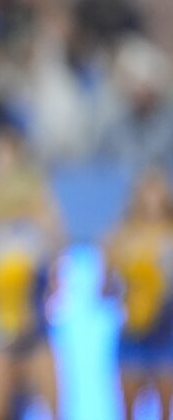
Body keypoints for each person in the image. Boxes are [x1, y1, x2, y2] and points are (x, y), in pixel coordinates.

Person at [0, 127, 64, 420]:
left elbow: (56, 268)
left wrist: (41, 300)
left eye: (7, 158)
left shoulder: (42, 209)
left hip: (34, 327)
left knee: (54, 407)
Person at [103, 167, 173, 420]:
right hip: (132, 332)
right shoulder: (120, 236)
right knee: (128, 412)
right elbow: (104, 290)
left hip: (166, 331)